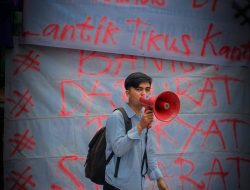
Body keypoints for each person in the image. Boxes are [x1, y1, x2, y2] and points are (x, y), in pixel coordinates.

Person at [105, 72, 169, 190]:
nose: (144, 93)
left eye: (147, 89)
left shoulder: (143, 117)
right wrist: (140, 127)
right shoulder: (117, 116)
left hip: (138, 184)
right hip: (117, 186)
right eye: (139, 89)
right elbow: (118, 149)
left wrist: (159, 178)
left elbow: (148, 151)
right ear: (127, 93)